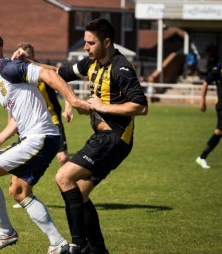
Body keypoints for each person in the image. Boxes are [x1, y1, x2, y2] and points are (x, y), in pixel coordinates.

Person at [12, 19, 148, 253]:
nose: (85, 47)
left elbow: (140, 106)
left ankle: (77, 244)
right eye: (85, 42)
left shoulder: (121, 68)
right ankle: (97, 249)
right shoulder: (91, 63)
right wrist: (29, 62)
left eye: (90, 43)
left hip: (114, 139)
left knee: (64, 177)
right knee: (80, 194)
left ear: (106, 42)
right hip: (102, 140)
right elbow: (58, 72)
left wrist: (102, 107)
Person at [0, 30, 91, 254]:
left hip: (40, 137)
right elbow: (15, 120)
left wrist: (72, 100)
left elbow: (49, 75)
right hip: (43, 138)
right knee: (19, 190)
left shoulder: (9, 68)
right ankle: (58, 244)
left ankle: (5, 232)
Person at [12, 42, 72, 210]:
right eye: (21, 55)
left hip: (53, 120)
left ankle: (71, 190)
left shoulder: (42, 72)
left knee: (63, 158)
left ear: (32, 56)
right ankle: (25, 193)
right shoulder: (19, 74)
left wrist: (68, 107)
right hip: (31, 124)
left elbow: (63, 83)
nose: (23, 59)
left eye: (27, 56)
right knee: (28, 160)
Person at [196, 64, 222, 169]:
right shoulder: (219, 69)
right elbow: (206, 83)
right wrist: (202, 101)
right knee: (219, 131)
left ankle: (202, 157)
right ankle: (202, 157)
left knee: (219, 132)